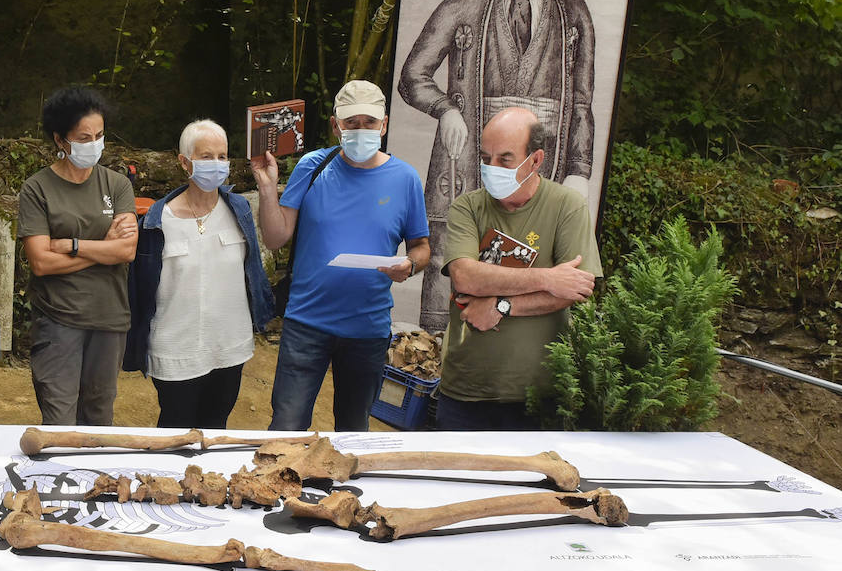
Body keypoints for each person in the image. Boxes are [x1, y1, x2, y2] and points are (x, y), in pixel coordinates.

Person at [397, 0, 596, 332]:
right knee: (451, 254)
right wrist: (446, 109)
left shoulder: (574, 12)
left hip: (542, 164)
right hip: (467, 164)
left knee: (537, 253)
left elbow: (582, 99)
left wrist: (579, 169)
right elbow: (412, 77)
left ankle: (515, 351)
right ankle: (434, 352)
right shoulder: (460, 9)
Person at [252, 80, 430, 432]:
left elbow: (421, 247)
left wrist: (409, 266)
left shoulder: (405, 179)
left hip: (367, 328)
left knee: (353, 431)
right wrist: (267, 187)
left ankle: (345, 490)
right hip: (306, 323)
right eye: (351, 123)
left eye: (369, 122)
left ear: (384, 124)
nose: (360, 129)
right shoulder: (312, 166)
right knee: (287, 426)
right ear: (336, 125)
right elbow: (275, 237)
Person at [436, 106, 601, 430]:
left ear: (536, 160)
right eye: (485, 158)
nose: (491, 167)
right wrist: (547, 278)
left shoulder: (567, 206)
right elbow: (465, 275)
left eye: (504, 160)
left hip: (539, 396)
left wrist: (501, 304)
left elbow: (576, 289)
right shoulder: (467, 206)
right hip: (464, 392)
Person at [123, 119, 274, 428]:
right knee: (175, 429)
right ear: (185, 162)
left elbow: (252, 272)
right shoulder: (156, 223)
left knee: (216, 423)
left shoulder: (239, 210)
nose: (216, 164)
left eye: (222, 156)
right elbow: (140, 289)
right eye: (206, 156)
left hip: (230, 346)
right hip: (175, 349)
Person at [19, 86, 137, 425]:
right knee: (59, 417)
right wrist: (105, 249)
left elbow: (126, 249)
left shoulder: (117, 185)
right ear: (60, 140)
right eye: (84, 137)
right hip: (59, 319)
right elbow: (41, 262)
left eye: (99, 135)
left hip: (109, 318)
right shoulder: (37, 188)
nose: (94, 144)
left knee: (99, 417)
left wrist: (71, 245)